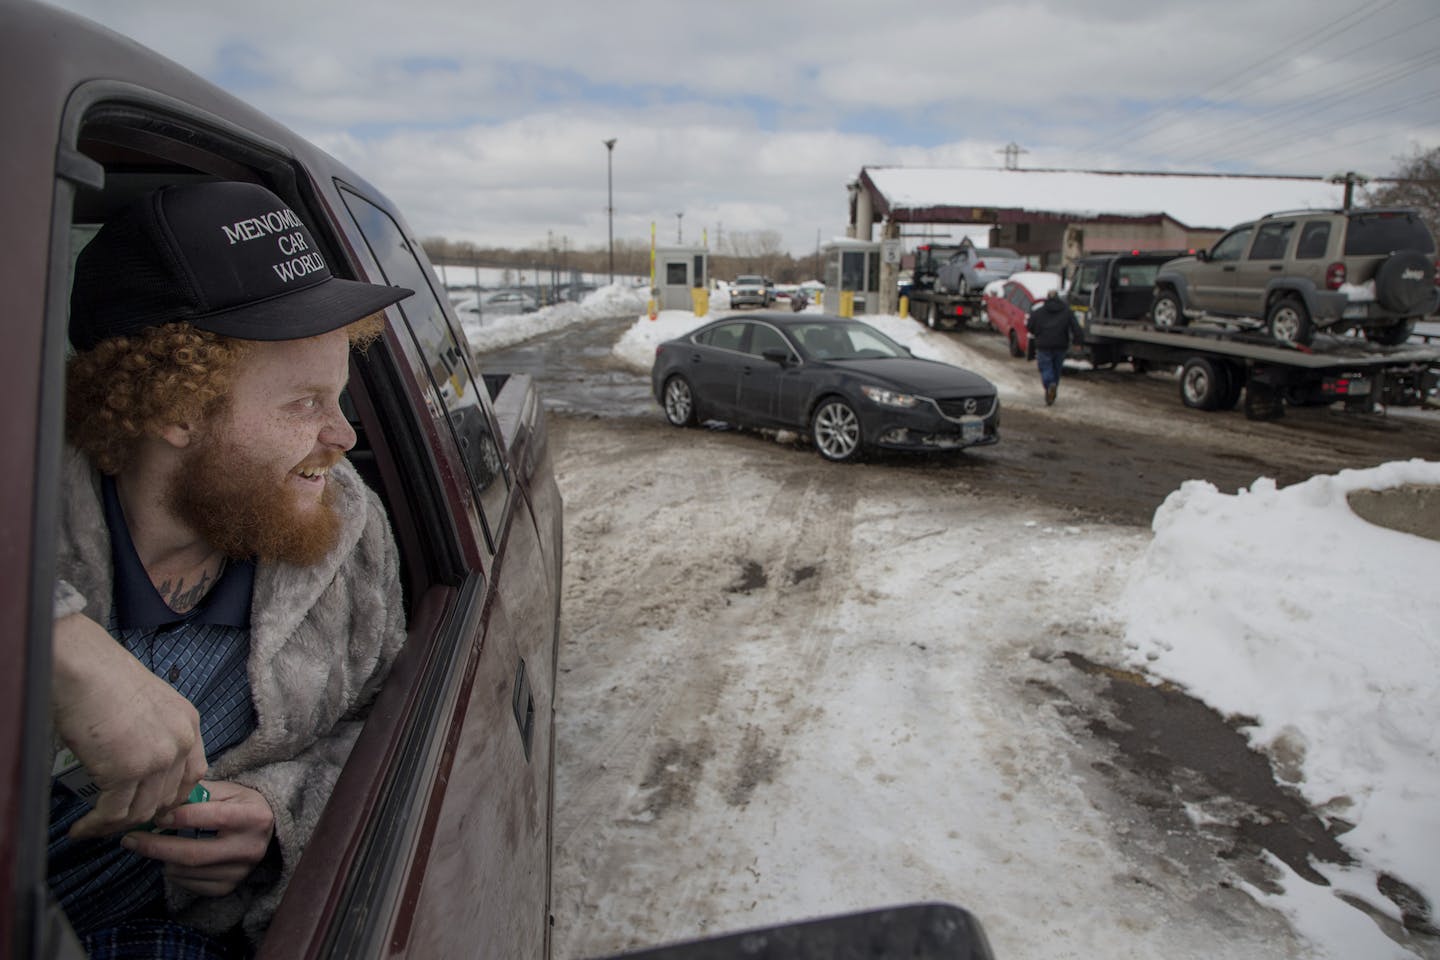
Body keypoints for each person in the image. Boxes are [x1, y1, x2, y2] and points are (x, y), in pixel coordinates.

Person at [50, 180, 413, 956]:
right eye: (303, 403)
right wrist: (51, 636)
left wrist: (281, 815)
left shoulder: (348, 528)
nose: (343, 437)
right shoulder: (30, 510)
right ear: (173, 407)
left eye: (340, 394)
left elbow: (387, 728)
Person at [1026, 288, 1084, 406]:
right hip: (1061, 345)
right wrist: (1078, 342)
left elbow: (1030, 326)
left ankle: (1049, 385)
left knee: (1046, 367)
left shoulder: (1039, 312)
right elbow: (1076, 327)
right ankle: (1052, 389)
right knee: (1056, 369)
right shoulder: (1067, 311)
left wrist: (1038, 333)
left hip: (1043, 345)